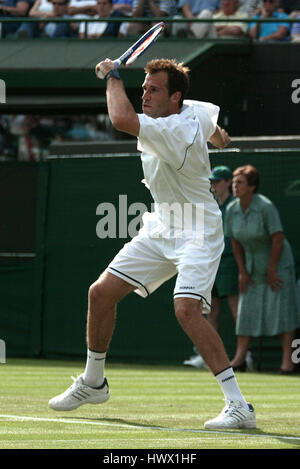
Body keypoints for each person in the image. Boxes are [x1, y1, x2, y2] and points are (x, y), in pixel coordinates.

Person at [49, 58, 256, 430]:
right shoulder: (194, 109)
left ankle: (239, 405)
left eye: (153, 89)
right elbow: (214, 128)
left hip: (198, 229)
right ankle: (94, 382)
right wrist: (221, 139)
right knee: (100, 293)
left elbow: (120, 120)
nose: (144, 94)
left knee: (186, 310)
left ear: (174, 98)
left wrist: (113, 77)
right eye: (142, 88)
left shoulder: (175, 129)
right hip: (161, 225)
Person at [225, 165, 300, 374]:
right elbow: (235, 242)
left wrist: (271, 268)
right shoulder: (232, 209)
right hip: (251, 268)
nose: (235, 186)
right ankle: (239, 359)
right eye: (233, 182)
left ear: (252, 187)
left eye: (240, 182)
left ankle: (288, 363)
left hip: (278, 266)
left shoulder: (266, 207)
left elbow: (278, 238)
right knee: (246, 311)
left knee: (281, 312)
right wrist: (242, 271)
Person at [184, 165, 250, 371]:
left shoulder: (235, 205)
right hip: (211, 262)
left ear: (228, 183)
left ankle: (244, 356)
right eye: (211, 182)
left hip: (230, 262)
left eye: (217, 181)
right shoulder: (210, 205)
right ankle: (206, 356)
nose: (213, 186)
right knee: (210, 311)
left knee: (236, 310)